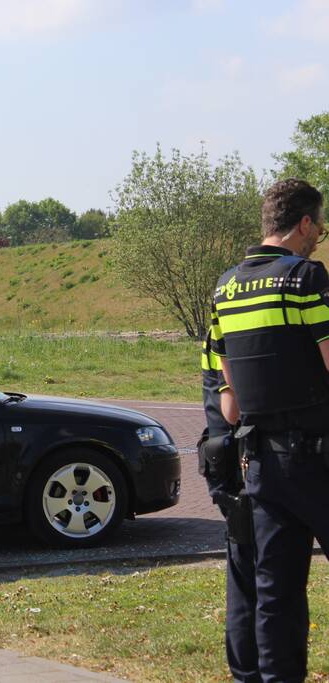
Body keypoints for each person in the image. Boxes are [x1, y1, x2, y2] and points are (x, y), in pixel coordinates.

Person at [210, 178, 329, 682]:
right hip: (319, 458)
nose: (320, 235)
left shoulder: (225, 289)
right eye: (319, 225)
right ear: (302, 223)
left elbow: (230, 401)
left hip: (261, 466)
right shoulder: (306, 278)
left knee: (275, 593)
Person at [198, 331, 258, 682]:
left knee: (245, 573)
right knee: (250, 576)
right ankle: (248, 672)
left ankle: (247, 671)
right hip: (238, 465)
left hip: (227, 460)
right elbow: (231, 408)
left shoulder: (222, 321)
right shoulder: (230, 327)